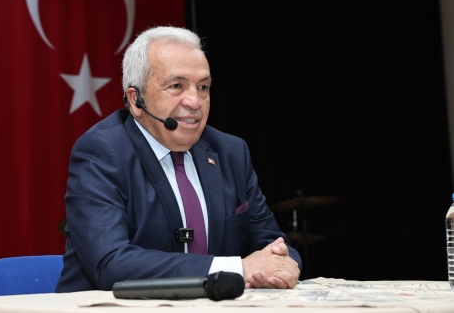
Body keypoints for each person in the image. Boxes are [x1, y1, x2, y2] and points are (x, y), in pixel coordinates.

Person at [56, 26, 300, 292]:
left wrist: (281, 263)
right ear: (136, 101)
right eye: (176, 86)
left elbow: (274, 246)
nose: (195, 101)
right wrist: (236, 268)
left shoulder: (231, 152)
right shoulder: (103, 151)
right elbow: (110, 263)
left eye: (203, 87)